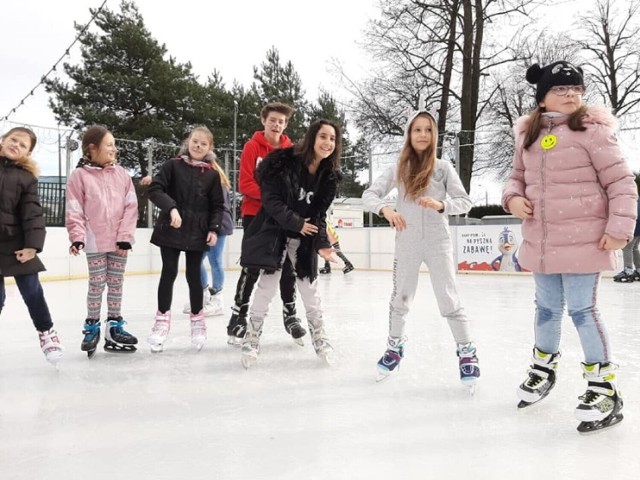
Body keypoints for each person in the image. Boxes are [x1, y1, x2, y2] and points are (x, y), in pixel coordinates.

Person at [502, 61, 638, 432]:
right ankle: (543, 368)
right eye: (561, 89)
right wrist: (512, 199)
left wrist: (620, 227)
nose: (570, 95)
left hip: (585, 240)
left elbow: (621, 183)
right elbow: (515, 178)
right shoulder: (527, 136)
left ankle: (604, 387)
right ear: (542, 96)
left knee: (582, 310)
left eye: (576, 88)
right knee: (546, 309)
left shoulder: (592, 131)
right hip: (542, 242)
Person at [362, 109, 480, 388]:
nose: (423, 135)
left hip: (438, 242)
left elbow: (465, 202)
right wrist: (386, 210)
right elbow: (369, 195)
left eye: (428, 130)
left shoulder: (443, 168)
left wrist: (442, 205)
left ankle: (466, 351)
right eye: (417, 130)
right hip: (408, 242)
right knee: (400, 298)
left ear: (434, 135)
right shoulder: (398, 168)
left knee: (449, 299)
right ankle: (394, 348)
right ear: (409, 134)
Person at [239, 119, 343, 369]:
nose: (327, 143)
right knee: (267, 286)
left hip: (304, 239)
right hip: (276, 233)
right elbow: (271, 200)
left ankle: (319, 336)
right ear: (311, 138)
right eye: (323, 137)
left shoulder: (328, 177)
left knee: (310, 290)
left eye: (332, 139)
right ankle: (252, 337)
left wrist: (321, 244)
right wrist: (296, 223)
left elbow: (318, 215)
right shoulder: (285, 162)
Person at [227, 102, 306, 346]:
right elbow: (245, 184)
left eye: (281, 122)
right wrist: (273, 199)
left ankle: (290, 315)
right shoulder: (252, 147)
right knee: (251, 266)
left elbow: (295, 184)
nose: (276, 124)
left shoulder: (291, 151)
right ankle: (238, 316)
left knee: (287, 267)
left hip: (283, 216)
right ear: (264, 121)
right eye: (273, 120)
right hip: (256, 215)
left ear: (285, 125)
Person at [146, 126, 225, 352]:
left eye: (203, 143)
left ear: (210, 148)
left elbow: (218, 206)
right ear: (188, 142)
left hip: (197, 233)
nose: (198, 146)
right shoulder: (173, 166)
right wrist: (171, 208)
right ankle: (161, 322)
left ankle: (198, 322)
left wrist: (213, 229)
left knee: (194, 276)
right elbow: (155, 189)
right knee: (168, 272)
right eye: (194, 141)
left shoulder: (211, 175)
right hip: (171, 229)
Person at [66, 125, 139, 358]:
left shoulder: (122, 175)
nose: (114, 149)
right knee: (97, 283)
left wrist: (125, 237)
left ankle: (115, 327)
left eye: (114, 144)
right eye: (109, 145)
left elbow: (131, 207)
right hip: (95, 240)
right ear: (92, 148)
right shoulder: (79, 176)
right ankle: (92, 326)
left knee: (116, 283)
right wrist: (77, 238)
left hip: (119, 242)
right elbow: (74, 209)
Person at [0, 127, 63, 365]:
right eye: (13, 139)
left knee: (32, 291)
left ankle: (46, 333)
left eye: (22, 145)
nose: (16, 145)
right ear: (4, 139)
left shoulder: (27, 179)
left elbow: (33, 214)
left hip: (16, 243)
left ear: (27, 153)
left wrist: (33, 246)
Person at [180, 159, 234, 315]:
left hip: (219, 224)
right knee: (196, 261)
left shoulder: (216, 179)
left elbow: (218, 207)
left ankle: (217, 298)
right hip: (205, 225)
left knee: (215, 259)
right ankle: (203, 294)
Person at [613, 196, 640, 283]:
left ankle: (628, 270)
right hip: (637, 227)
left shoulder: (629, 199)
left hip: (634, 227)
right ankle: (638, 269)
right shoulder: (636, 198)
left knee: (627, 248)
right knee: (634, 248)